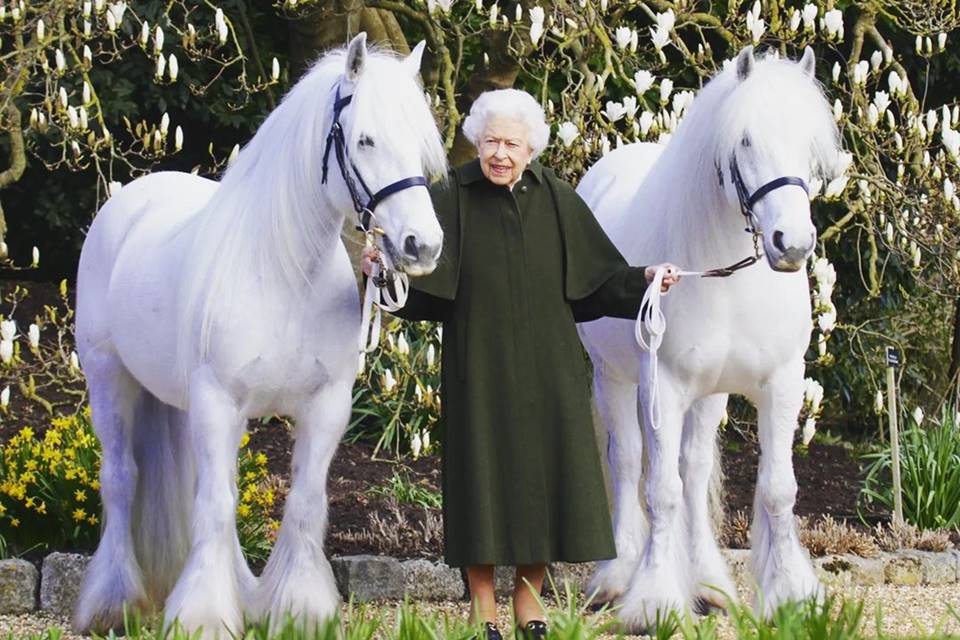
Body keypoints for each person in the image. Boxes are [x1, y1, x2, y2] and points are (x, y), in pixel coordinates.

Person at [362, 88, 680, 640]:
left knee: (544, 485)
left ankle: (529, 604)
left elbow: (598, 282)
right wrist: (381, 274)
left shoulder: (556, 197)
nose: (500, 154)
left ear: (531, 148)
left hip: (549, 371)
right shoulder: (452, 196)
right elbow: (421, 289)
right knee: (479, 484)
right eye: (490, 142)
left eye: (511, 143)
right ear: (475, 143)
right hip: (477, 368)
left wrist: (647, 279)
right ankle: (483, 609)